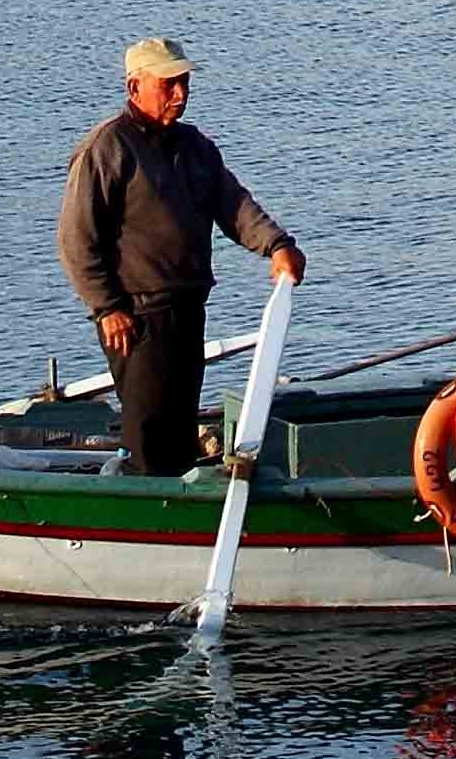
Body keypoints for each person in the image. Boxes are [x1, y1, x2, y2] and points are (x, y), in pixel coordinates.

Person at [57, 38, 305, 477]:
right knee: (148, 435)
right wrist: (107, 308)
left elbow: (233, 206)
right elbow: (77, 240)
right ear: (135, 87)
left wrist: (277, 244)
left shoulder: (194, 148)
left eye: (185, 84)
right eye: (168, 85)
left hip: (188, 310)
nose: (180, 95)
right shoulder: (107, 148)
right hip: (136, 318)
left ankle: (180, 516)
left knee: (179, 430)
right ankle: (141, 521)